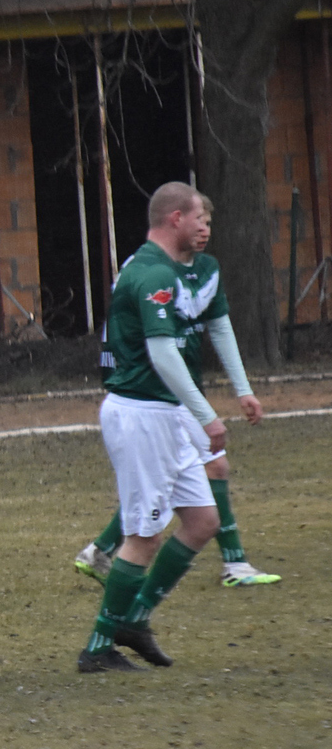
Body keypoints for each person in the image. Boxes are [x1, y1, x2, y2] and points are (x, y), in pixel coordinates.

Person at [77, 181, 264, 673]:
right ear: (175, 218)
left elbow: (211, 328)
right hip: (141, 413)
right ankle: (97, 648)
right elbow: (161, 352)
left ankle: (134, 621)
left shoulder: (181, 271)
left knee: (202, 521)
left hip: (164, 412)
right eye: (200, 216)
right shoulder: (152, 273)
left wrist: (230, 393)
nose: (205, 226)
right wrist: (206, 414)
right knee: (145, 534)